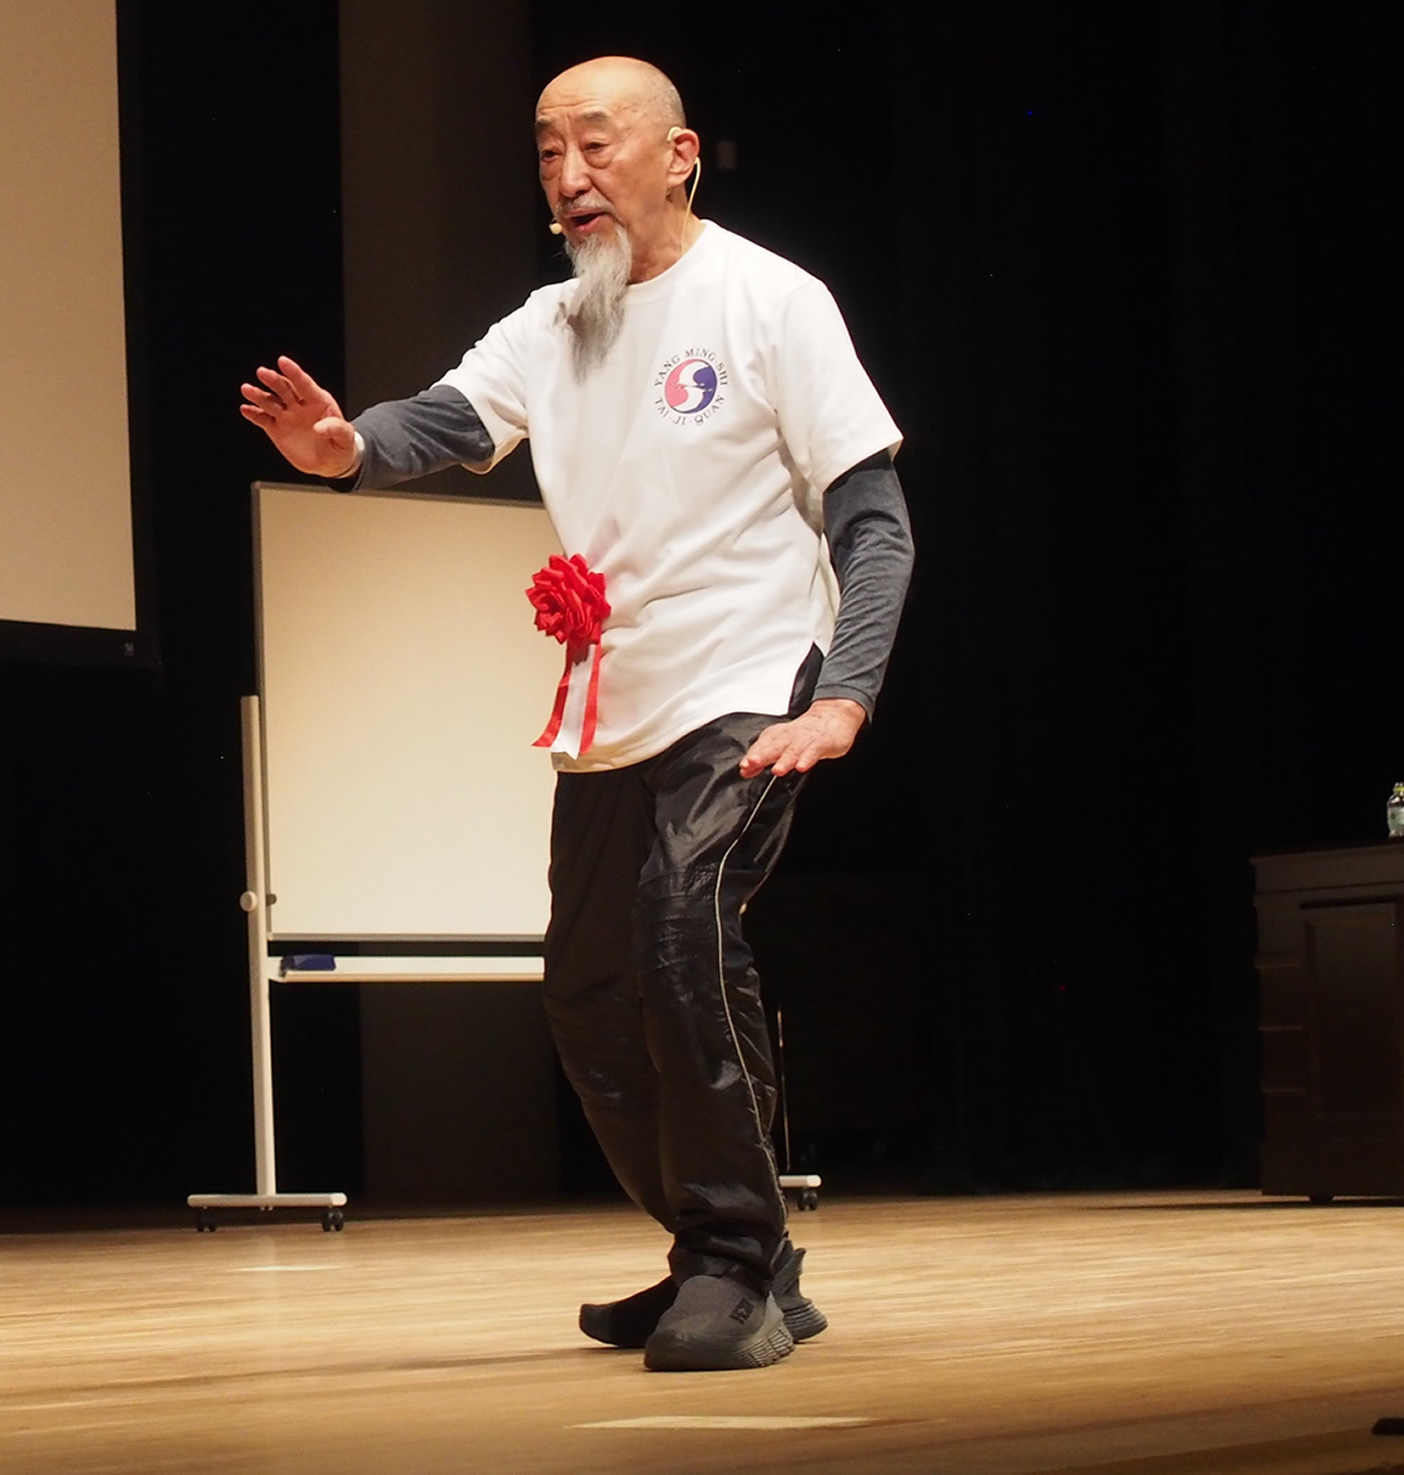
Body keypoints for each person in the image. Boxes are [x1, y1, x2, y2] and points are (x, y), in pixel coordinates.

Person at [239, 57, 914, 1372]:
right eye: (548, 153)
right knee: (589, 991)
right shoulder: (551, 324)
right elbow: (443, 419)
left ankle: (733, 1262)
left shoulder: (769, 300)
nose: (567, 176)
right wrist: (345, 447)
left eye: (594, 145)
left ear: (679, 154)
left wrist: (843, 695)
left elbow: (872, 520)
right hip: (618, 699)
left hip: (749, 672)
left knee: (680, 929)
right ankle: (725, 1244)